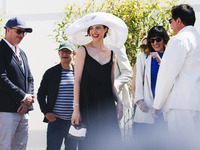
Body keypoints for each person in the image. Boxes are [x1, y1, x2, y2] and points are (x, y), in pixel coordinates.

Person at [66, 12, 128, 150]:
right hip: (88, 106)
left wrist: (119, 102)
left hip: (107, 107)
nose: (94, 31)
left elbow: (110, 84)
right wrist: (76, 109)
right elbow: (77, 81)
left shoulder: (112, 54)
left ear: (106, 29)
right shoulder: (82, 51)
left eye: (98, 27)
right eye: (91, 28)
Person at [152, 4, 200, 149]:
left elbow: (167, 74)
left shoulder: (179, 40)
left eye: (170, 21)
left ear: (178, 21)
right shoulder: (197, 39)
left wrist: (157, 104)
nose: (170, 25)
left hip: (180, 105)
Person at [0, 17, 34, 150]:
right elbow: (1, 78)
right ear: (8, 30)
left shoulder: (22, 53)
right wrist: (23, 97)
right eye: (19, 31)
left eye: (24, 32)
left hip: (24, 111)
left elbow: (29, 78)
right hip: (6, 111)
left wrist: (28, 100)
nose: (21, 35)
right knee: (4, 146)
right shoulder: (1, 50)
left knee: (21, 147)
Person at [37, 41, 77, 150]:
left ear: (74, 54)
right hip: (56, 122)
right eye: (62, 52)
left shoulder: (78, 73)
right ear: (59, 53)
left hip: (74, 123)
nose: (65, 54)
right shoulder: (50, 73)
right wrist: (46, 113)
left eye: (68, 52)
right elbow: (40, 95)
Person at [133, 26, 169, 145]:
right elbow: (138, 81)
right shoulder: (143, 58)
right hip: (147, 109)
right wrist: (140, 102)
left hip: (165, 110)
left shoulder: (170, 57)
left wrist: (161, 62)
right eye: (151, 40)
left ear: (164, 39)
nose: (155, 43)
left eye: (158, 39)